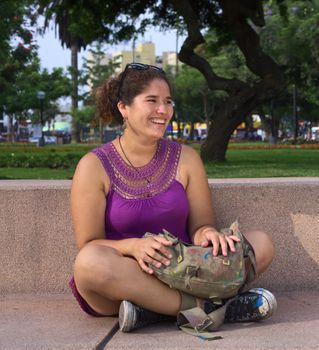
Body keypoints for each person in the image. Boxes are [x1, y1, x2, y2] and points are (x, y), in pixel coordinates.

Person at [69, 63, 276, 333]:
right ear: (124, 108)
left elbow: (201, 225)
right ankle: (214, 308)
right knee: (88, 264)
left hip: (183, 271)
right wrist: (133, 247)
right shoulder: (94, 166)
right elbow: (88, 244)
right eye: (152, 101)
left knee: (262, 243)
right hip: (124, 277)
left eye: (168, 102)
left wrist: (209, 235)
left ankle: (153, 313)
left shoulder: (186, 159)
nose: (163, 110)